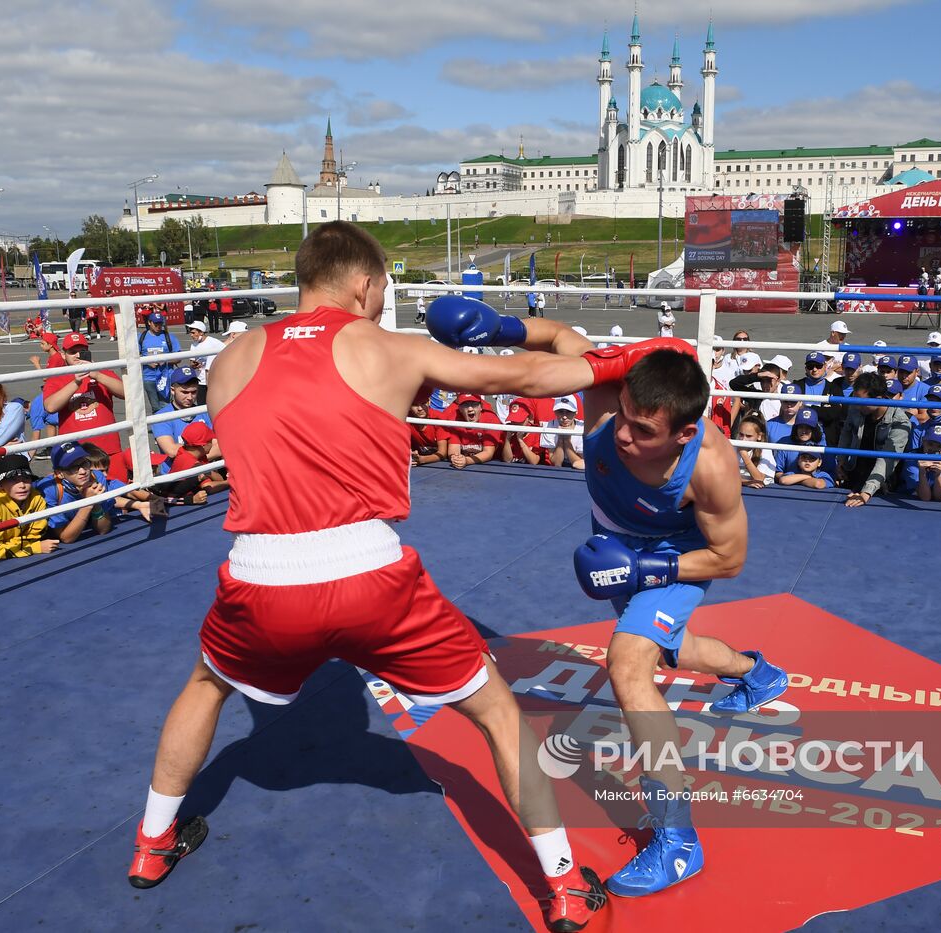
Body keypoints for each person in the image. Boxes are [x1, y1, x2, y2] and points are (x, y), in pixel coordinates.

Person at [131, 222, 621, 931]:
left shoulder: (230, 358)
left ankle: (151, 843)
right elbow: (527, 377)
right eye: (383, 288)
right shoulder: (386, 347)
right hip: (366, 568)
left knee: (206, 684)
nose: (381, 300)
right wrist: (622, 362)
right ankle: (568, 887)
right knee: (496, 712)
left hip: (258, 570)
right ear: (363, 283)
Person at [440, 295, 788, 900]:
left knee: (629, 666)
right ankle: (756, 672)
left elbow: (729, 559)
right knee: (669, 651)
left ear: (684, 432)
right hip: (614, 546)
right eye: (622, 417)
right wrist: (498, 327)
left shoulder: (710, 465)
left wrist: (647, 566)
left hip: (676, 557)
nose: (621, 435)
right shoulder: (611, 391)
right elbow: (559, 336)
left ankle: (679, 842)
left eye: (644, 431)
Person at [43, 333, 128, 471]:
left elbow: (128, 393)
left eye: (81, 351)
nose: (77, 356)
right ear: (63, 355)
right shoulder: (56, 377)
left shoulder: (102, 371)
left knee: (116, 488)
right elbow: (50, 407)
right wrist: (76, 382)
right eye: (72, 352)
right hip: (74, 452)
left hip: (108, 448)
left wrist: (97, 375)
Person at [836, 372, 911, 508]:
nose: (857, 405)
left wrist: (866, 493)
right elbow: (846, 432)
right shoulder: (856, 407)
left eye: (862, 402)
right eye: (856, 400)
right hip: (854, 475)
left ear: (878, 398)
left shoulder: (900, 421)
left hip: (882, 483)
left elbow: (887, 459)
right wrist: (840, 462)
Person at [0, 454, 56, 560]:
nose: (22, 485)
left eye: (26, 478)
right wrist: (34, 548)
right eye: (13, 480)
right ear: (0, 485)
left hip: (11, 555)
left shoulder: (37, 500)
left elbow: (35, 536)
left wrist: (15, 546)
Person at [138, 312, 182, 406]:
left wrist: (165, 361)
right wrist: (146, 362)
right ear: (149, 323)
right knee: (155, 407)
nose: (158, 326)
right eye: (155, 323)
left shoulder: (169, 337)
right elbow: (134, 357)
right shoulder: (141, 337)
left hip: (166, 377)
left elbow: (178, 358)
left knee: (166, 406)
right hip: (149, 378)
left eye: (160, 323)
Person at [542, 396, 584, 468]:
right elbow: (556, 463)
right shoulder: (548, 426)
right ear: (555, 412)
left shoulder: (583, 427)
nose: (564, 417)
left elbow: (579, 464)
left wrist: (567, 441)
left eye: (569, 412)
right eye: (561, 411)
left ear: (576, 412)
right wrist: (561, 438)